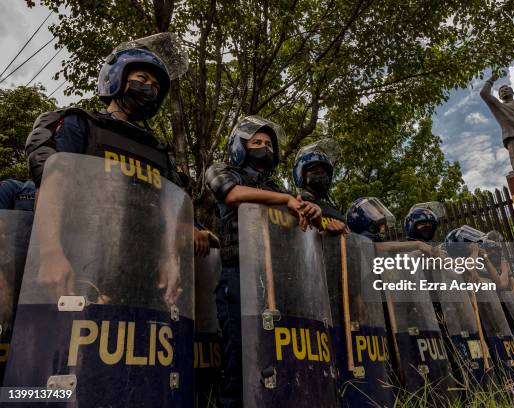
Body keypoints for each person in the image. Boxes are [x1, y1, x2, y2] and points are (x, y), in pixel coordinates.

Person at [25, 45, 209, 302]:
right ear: (116, 78)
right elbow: (53, 183)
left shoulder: (157, 151)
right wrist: (50, 253)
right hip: (81, 269)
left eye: (155, 85)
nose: (149, 88)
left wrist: (171, 261)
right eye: (142, 79)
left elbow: (169, 210)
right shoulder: (83, 125)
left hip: (143, 275)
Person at [205, 115, 322, 408]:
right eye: (256, 142)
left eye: (269, 143)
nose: (264, 147)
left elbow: (298, 231)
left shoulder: (278, 187)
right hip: (239, 276)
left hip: (277, 280)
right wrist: (285, 200)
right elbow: (231, 195)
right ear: (239, 146)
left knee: (279, 359)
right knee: (239, 359)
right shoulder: (221, 171)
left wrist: (312, 212)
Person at [293, 139, 346, 234]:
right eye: (314, 170)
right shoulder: (297, 204)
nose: (321, 174)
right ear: (301, 176)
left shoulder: (334, 209)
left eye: (323, 171)